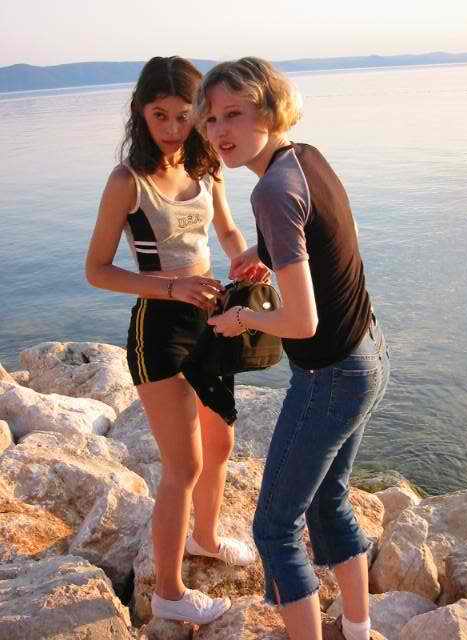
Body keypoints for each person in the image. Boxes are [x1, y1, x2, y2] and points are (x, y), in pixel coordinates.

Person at [196, 57, 390, 640]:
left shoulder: (271, 192)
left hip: (329, 373)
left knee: (275, 529)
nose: (220, 131)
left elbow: (301, 322)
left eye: (234, 114)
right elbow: (321, 231)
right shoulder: (304, 158)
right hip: (368, 353)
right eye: (210, 118)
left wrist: (239, 318)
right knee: (329, 502)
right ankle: (357, 630)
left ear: (269, 111)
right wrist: (262, 252)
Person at [85, 56, 266, 625]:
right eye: (158, 115)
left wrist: (245, 258)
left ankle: (205, 539)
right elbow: (97, 270)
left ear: (200, 113)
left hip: (211, 320)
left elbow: (226, 229)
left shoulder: (207, 166)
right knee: (183, 465)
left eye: (183, 115)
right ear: (141, 113)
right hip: (158, 330)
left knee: (220, 443)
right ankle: (168, 591)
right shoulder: (128, 182)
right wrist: (171, 285)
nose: (171, 127)